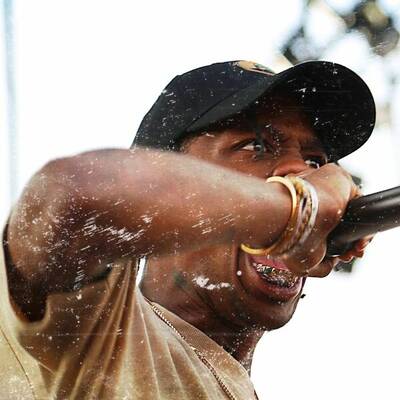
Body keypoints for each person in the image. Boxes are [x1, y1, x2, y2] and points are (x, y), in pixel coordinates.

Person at [0, 60, 375, 399]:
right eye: (256, 146)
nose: (303, 174)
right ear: (157, 180)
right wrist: (299, 210)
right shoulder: (96, 333)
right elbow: (72, 196)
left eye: (315, 162)